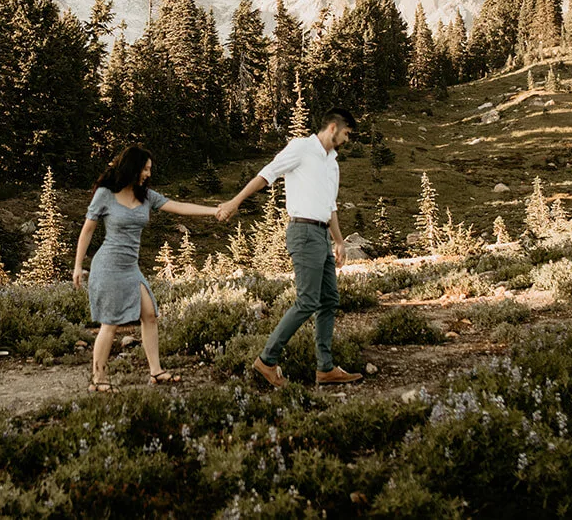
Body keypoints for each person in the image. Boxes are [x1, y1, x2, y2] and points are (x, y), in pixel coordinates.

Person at [217, 108, 364, 388]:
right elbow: (266, 174)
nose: (347, 141)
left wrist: (339, 241)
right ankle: (267, 360)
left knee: (329, 299)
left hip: (321, 235)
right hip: (303, 231)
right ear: (333, 128)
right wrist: (235, 201)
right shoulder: (301, 148)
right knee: (308, 300)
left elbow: (330, 206)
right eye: (346, 134)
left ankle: (325, 368)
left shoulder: (332, 163)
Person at [73, 144, 220, 392]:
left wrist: (214, 211)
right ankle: (98, 380)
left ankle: (156, 371)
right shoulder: (106, 194)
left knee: (150, 315)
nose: (149, 174)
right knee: (109, 324)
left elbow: (180, 207)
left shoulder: (146, 197)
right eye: (146, 169)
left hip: (130, 267)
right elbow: (87, 230)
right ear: (134, 168)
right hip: (108, 266)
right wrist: (78, 265)